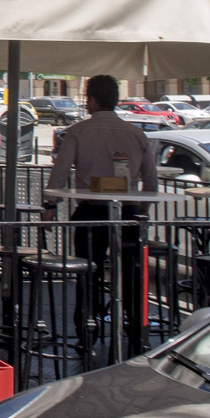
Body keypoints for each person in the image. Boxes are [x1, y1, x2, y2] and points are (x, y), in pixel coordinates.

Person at [46, 74, 157, 356]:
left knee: (88, 273)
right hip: (129, 214)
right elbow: (151, 181)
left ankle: (87, 330)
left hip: (90, 213)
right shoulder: (136, 133)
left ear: (92, 99)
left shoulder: (79, 132)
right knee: (132, 273)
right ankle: (135, 329)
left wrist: (49, 207)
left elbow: (59, 175)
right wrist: (142, 212)